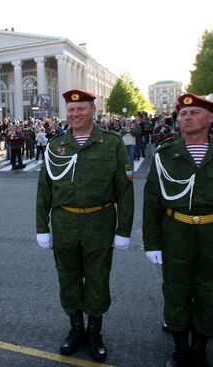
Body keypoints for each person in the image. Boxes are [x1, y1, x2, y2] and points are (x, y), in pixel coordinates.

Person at [36, 90, 134, 362]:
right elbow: (44, 190)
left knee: (97, 278)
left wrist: (123, 230)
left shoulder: (111, 143)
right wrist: (41, 226)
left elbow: (125, 191)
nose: (74, 114)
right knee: (67, 277)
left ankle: (94, 332)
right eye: (70, 110)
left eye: (80, 109)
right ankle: (75, 328)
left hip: (99, 221)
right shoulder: (56, 145)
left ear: (93, 111)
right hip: (64, 222)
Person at [143, 94, 213, 367]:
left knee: (209, 291)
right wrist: (152, 243)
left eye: (194, 113)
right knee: (176, 291)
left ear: (211, 117)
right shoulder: (166, 154)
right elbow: (152, 201)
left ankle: (200, 346)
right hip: (176, 233)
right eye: (183, 114)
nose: (187, 118)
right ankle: (180, 348)